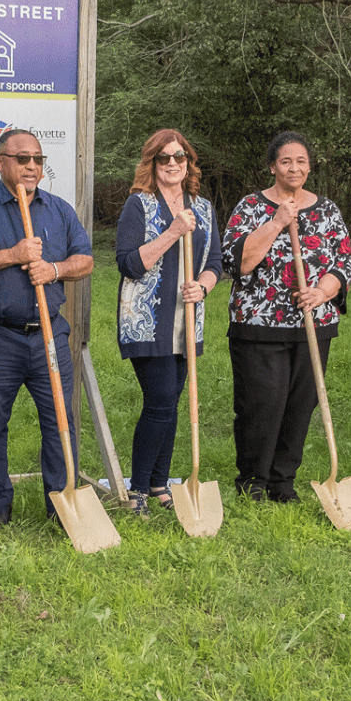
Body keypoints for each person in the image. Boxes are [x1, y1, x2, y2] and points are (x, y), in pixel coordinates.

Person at [0, 128, 95, 529]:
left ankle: (59, 504)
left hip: (48, 333)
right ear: (1, 163)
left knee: (59, 419)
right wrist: (13, 255)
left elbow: (84, 260)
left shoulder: (58, 210)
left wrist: (54, 269)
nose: (31, 166)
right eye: (22, 159)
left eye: (37, 159)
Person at [220, 132, 351, 503]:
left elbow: (343, 261)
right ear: (272, 166)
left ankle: (282, 482)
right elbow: (237, 262)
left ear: (309, 166)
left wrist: (322, 292)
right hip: (259, 324)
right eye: (285, 161)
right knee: (261, 405)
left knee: (300, 405)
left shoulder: (326, 210)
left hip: (313, 323)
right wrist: (278, 221)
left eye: (301, 161)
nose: (294, 168)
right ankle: (253, 481)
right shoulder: (250, 206)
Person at [114, 129, 220, 517]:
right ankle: (138, 488)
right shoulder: (138, 206)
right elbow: (127, 263)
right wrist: (173, 231)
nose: (173, 163)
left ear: (188, 162)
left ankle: (160, 481)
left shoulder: (204, 208)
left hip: (187, 322)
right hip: (147, 322)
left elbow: (215, 264)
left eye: (179, 157)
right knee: (159, 402)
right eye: (164, 158)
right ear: (152, 164)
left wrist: (203, 288)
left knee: (172, 405)